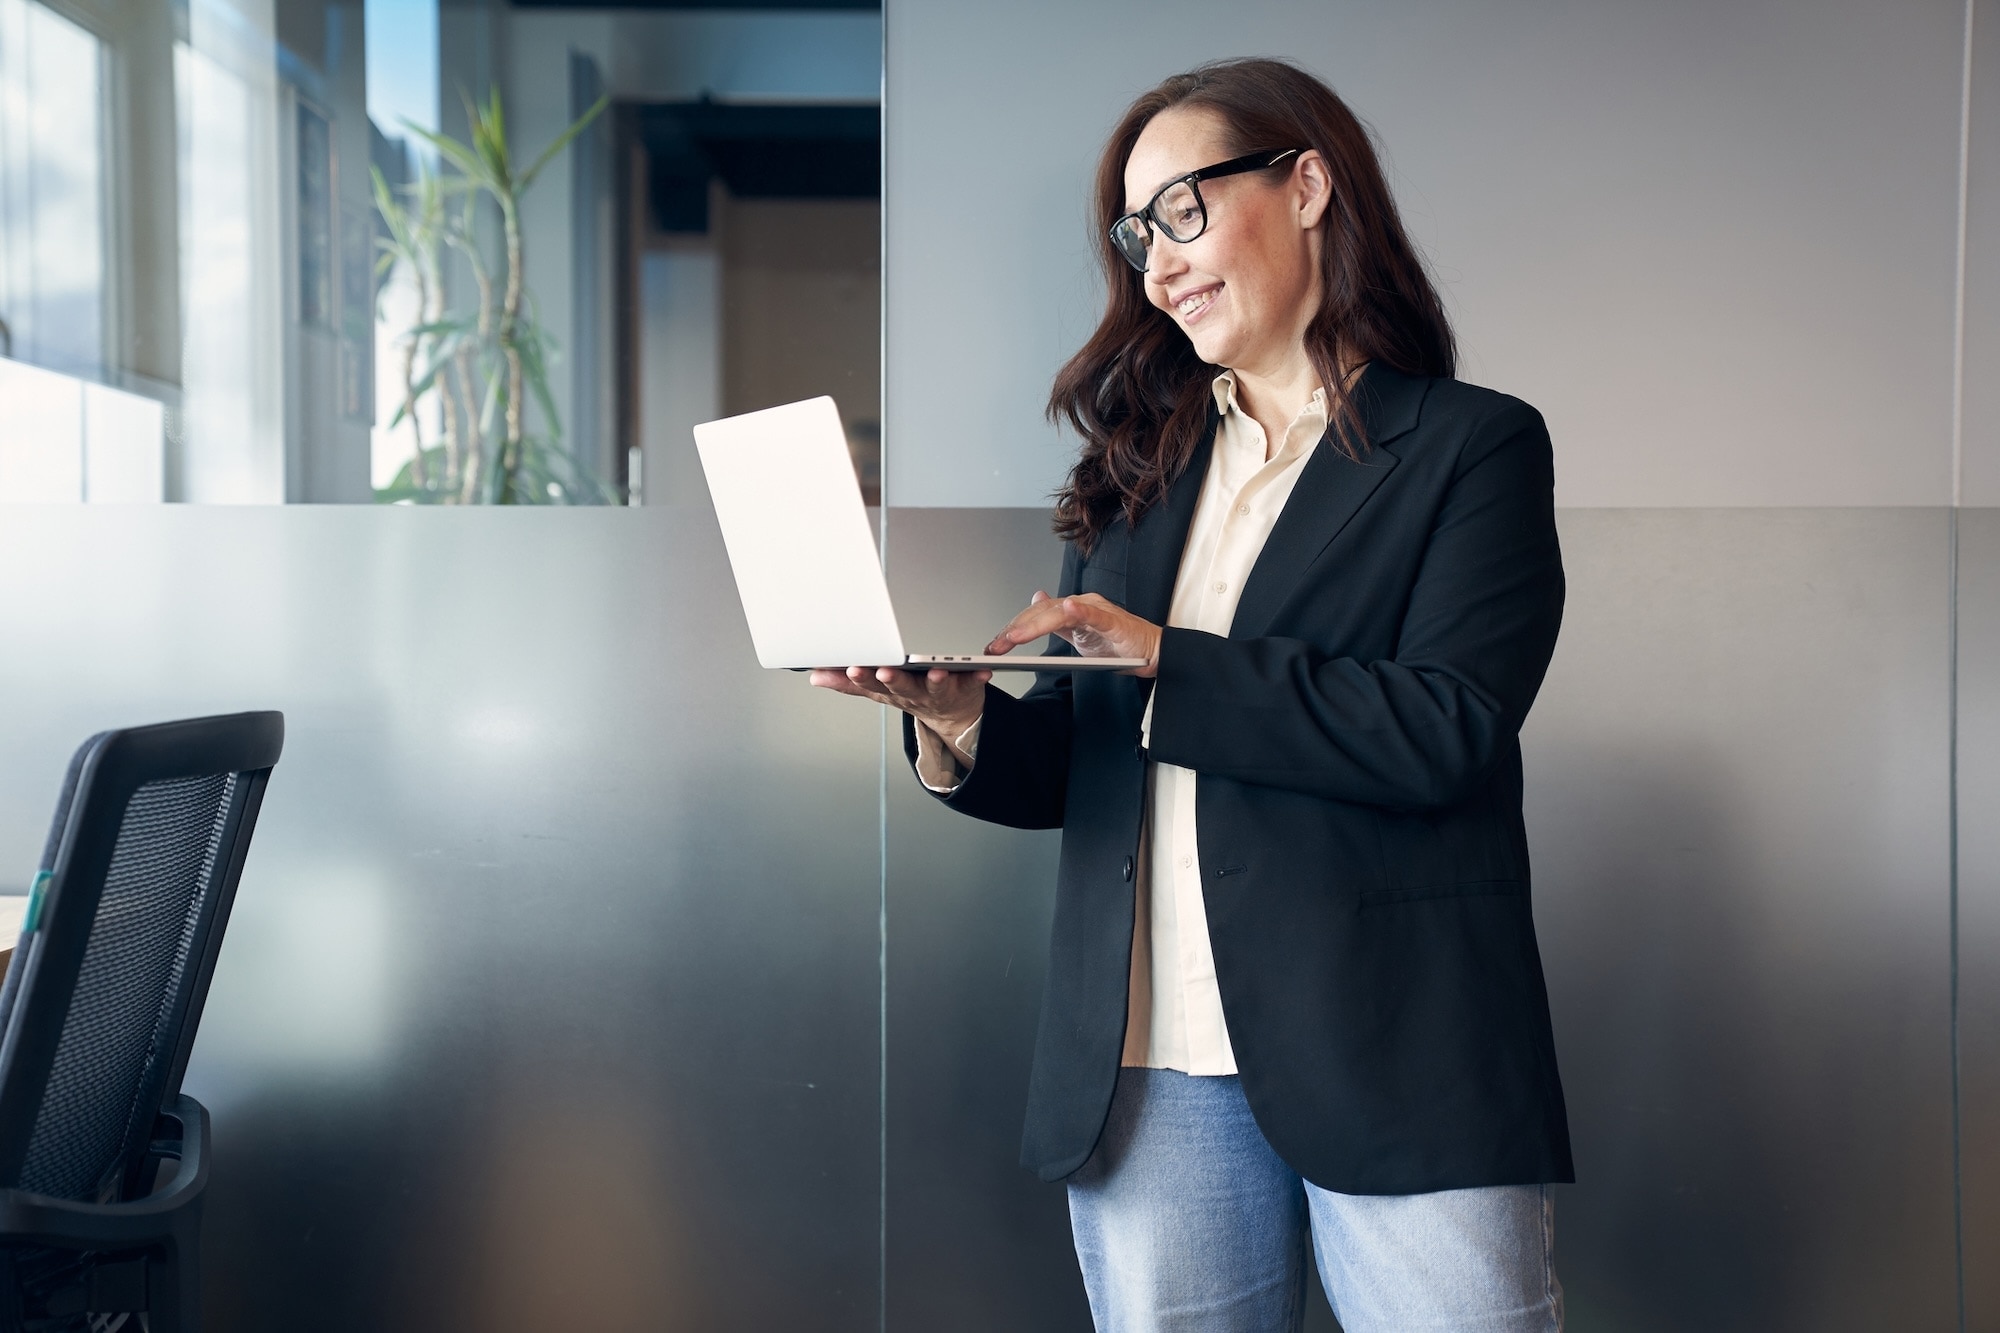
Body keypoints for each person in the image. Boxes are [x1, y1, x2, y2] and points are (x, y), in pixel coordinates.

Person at [814, 57, 1570, 1333]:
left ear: (1309, 184)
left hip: (1395, 1052)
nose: (1157, 264)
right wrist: (954, 716)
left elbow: (1446, 729)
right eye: (1134, 231)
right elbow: (1092, 771)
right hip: (1147, 1066)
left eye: (1184, 210)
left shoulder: (1470, 448)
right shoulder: (1134, 473)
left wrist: (1169, 655)